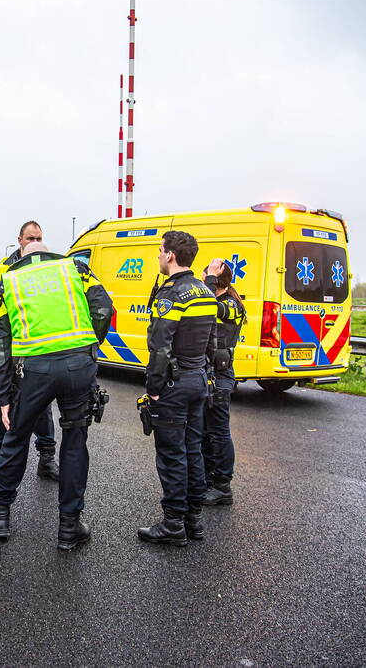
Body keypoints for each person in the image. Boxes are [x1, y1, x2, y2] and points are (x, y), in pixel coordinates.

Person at [0, 242, 113, 550]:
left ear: (23, 256)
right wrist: (90, 347)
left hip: (33, 370)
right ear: (49, 252)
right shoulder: (76, 269)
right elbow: (104, 307)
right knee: (74, 441)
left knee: (16, 437)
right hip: (77, 366)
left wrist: (3, 396)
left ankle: (1, 517)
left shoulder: (9, 281)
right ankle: (69, 527)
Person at [137, 231, 218, 546]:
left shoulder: (171, 295)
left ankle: (173, 525)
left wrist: (154, 389)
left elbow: (160, 347)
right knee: (193, 449)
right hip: (198, 379)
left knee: (172, 455)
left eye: (160, 251)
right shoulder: (204, 291)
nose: (158, 255)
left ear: (170, 255)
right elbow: (212, 343)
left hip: (173, 384)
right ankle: (193, 520)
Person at [0, 221, 59, 483]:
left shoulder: (49, 266)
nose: (34, 241)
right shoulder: (2, 269)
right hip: (10, 349)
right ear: (19, 239)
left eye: (39, 237)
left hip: (38, 349)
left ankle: (46, 458)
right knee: (3, 403)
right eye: (30, 237)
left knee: (43, 407)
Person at [201, 259, 246, 506]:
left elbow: (205, 305)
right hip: (207, 373)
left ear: (216, 280)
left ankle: (222, 487)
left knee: (218, 432)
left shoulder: (231, 304)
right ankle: (207, 480)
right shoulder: (218, 300)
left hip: (220, 376)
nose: (201, 279)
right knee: (205, 432)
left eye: (206, 276)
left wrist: (209, 280)